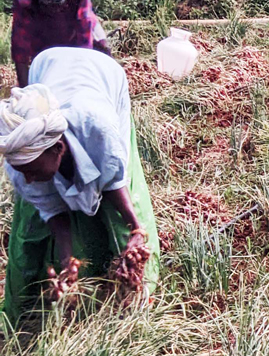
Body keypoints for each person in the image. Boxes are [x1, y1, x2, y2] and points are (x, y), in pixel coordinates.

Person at [1, 48, 158, 325]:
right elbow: (53, 211)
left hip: (103, 77)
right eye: (23, 171)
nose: (28, 179)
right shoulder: (21, 161)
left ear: (57, 148)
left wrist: (136, 229)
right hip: (48, 66)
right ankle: (20, 314)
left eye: (32, 171)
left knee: (119, 218)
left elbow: (114, 184)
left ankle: (138, 305)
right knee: (30, 227)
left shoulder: (100, 132)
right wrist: (67, 261)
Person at [10, 0, 111, 88]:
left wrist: (81, 79)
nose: (55, 10)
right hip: (41, 31)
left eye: (58, 5)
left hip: (71, 25)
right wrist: (26, 89)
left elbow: (84, 34)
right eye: (50, 6)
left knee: (104, 46)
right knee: (46, 71)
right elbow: (20, 45)